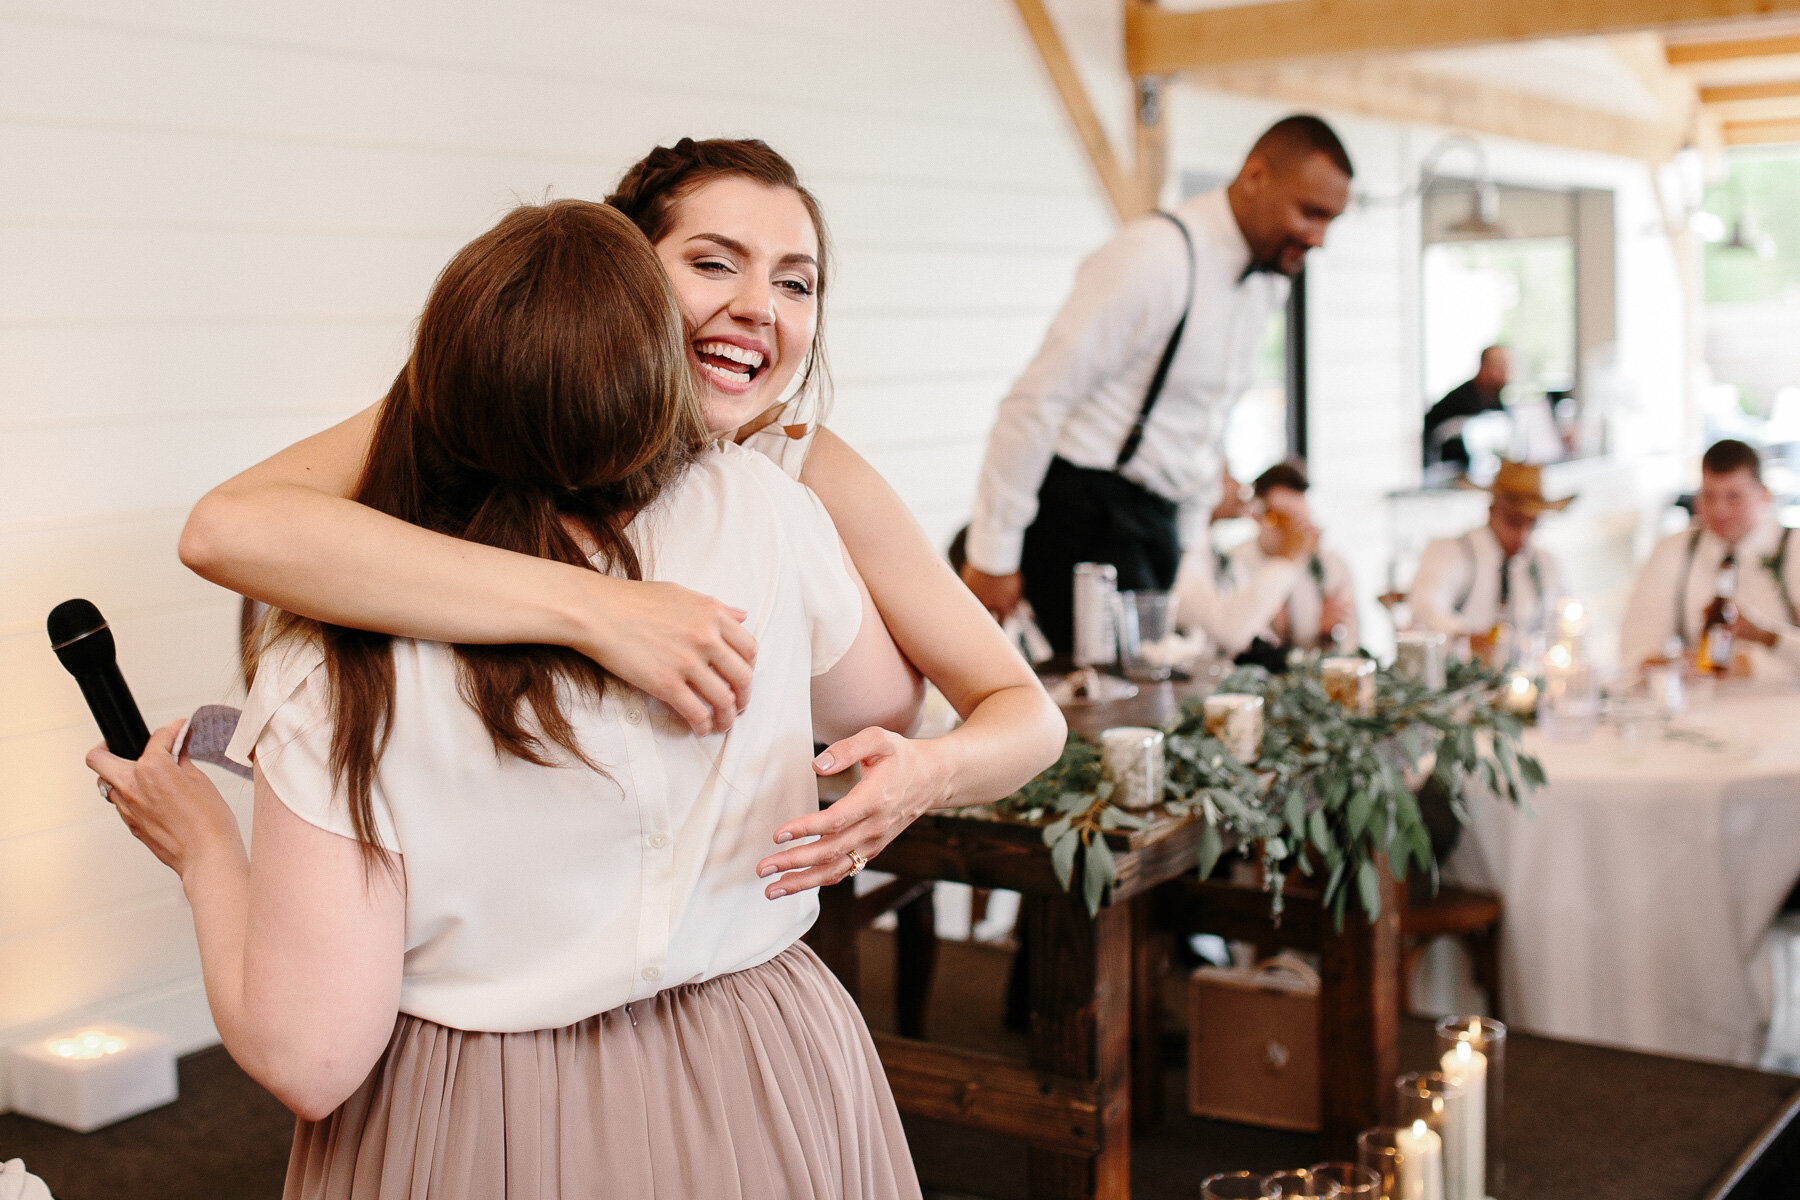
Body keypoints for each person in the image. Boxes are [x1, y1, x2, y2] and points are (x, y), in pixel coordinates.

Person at [90, 200, 946, 1197]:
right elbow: (882, 702)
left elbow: (310, 1059)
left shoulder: (337, 650)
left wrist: (200, 848)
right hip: (765, 1061)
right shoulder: (766, 510)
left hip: (482, 1116)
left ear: (436, 381)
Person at [177, 138, 1066, 875]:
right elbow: (228, 529)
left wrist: (928, 773)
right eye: (714, 264)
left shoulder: (800, 469)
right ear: (624, 275)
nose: (759, 307)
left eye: (797, 284)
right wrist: (600, 610)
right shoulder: (490, 411)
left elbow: (1022, 714)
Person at [957, 115, 1354, 652]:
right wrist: (993, 557)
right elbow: (1036, 402)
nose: (1319, 238)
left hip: (1158, 525)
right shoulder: (1155, 256)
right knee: (1103, 711)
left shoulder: (1267, 282)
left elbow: (1202, 425)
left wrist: (1188, 544)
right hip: (1083, 514)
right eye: (1310, 212)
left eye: (1331, 220)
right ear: (1256, 177)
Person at [1619, 438, 1800, 681]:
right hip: (1701, 709)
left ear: (1764, 495)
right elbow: (1638, 640)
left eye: (1734, 497)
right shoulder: (1674, 550)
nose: (1719, 511)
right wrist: (1665, 663)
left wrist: (1752, 662)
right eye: (1709, 496)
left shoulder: (1794, 547)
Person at [1174, 461, 1357, 658]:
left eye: (1300, 521)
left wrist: (1329, 635)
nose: (1291, 533)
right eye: (1280, 519)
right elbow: (1231, 636)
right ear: (1256, 515)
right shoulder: (1230, 564)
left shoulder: (1327, 567)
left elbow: (1351, 644)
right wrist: (1285, 561)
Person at [1407, 460, 1570, 656]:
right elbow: (1425, 607)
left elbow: (1561, 622)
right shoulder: (1452, 552)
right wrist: (1462, 638)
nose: (1522, 535)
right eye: (1514, 522)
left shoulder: (1544, 564)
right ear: (1492, 511)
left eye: (1531, 524)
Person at [1423, 345, 1511, 471]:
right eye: (1502, 366)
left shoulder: (1496, 400)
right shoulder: (1461, 400)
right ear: (1485, 367)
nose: (1507, 373)